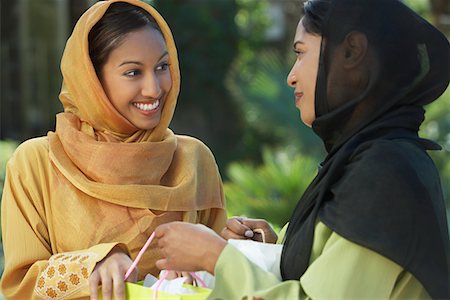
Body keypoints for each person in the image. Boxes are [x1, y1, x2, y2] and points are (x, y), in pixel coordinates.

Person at [154, 0, 450, 299]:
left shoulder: (384, 175)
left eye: (300, 52)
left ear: (351, 51)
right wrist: (280, 252)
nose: (291, 76)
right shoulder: (374, 158)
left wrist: (214, 257)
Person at [0, 1, 227, 299]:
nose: (154, 89)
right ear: (92, 80)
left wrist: (240, 247)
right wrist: (92, 265)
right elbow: (21, 286)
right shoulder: (38, 164)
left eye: (162, 67)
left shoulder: (193, 160)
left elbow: (219, 279)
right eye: (133, 73)